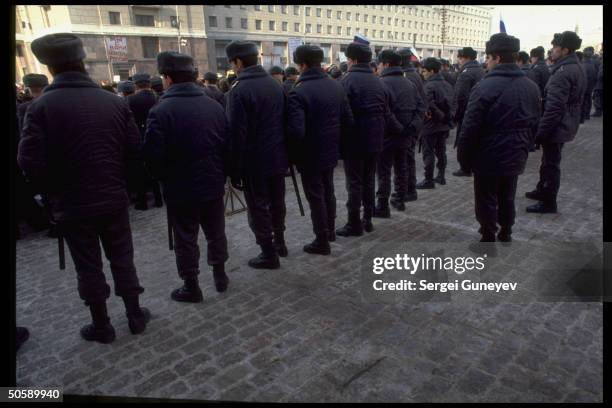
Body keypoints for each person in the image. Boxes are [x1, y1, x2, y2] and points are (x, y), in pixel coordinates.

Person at [19, 33, 150, 344]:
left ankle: (101, 324)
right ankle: (134, 314)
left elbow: (29, 162)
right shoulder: (113, 102)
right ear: (83, 63)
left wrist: (50, 194)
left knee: (87, 265)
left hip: (72, 204)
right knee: (122, 257)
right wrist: (123, 185)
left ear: (50, 68)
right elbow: (134, 152)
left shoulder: (40, 107)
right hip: (113, 197)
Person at [143, 52, 230, 302]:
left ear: (167, 78)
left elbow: (152, 157)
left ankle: (191, 285)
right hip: (212, 183)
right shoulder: (213, 106)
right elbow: (227, 145)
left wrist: (163, 178)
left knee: (185, 238)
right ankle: (220, 275)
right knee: (216, 232)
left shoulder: (160, 111)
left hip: (181, 188)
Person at [457, 33, 541, 245]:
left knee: (486, 197)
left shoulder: (484, 87)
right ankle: (507, 231)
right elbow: (535, 121)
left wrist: (464, 158)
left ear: (497, 58)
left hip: (488, 154)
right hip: (516, 152)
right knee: (507, 194)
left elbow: (470, 128)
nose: (486, 62)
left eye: (488, 58)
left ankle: (488, 236)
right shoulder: (531, 86)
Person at [225, 41, 289, 269]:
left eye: (232, 62)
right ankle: (280, 243)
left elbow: (236, 134)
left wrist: (234, 170)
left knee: (258, 207)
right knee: (277, 202)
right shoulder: (275, 84)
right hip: (278, 156)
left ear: (238, 62)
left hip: (254, 161)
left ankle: (268, 252)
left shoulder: (239, 90)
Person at [286, 45, 354, 254]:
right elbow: (348, 121)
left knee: (316, 196)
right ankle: (330, 231)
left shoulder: (298, 91)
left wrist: (292, 153)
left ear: (302, 64)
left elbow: (296, 132)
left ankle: (321, 240)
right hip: (331, 149)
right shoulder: (336, 86)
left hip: (310, 154)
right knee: (328, 191)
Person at [336, 41, 403, 236]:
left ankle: (354, 223)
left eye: (348, 59)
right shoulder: (379, 82)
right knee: (368, 180)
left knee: (354, 183)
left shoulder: (346, 81)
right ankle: (368, 220)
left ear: (354, 60)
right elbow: (387, 111)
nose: (347, 62)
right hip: (375, 140)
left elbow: (343, 115)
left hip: (354, 141)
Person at [526, 31, 587, 214]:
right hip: (566, 123)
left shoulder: (563, 71)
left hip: (557, 125)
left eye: (555, 47)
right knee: (548, 161)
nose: (551, 51)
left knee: (551, 164)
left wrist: (541, 132)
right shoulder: (575, 66)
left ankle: (548, 201)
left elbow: (554, 108)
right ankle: (542, 189)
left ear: (565, 50)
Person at [374, 49, 425, 217]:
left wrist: (400, 128)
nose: (378, 67)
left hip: (387, 135)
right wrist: (411, 128)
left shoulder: (380, 83)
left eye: (380, 64)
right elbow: (420, 107)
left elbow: (385, 111)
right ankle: (399, 199)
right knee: (401, 168)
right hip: (405, 135)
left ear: (386, 64)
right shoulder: (409, 83)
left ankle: (382, 205)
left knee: (384, 172)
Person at [416, 58, 455, 189]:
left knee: (429, 152)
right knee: (441, 150)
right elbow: (453, 104)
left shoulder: (428, 85)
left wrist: (439, 115)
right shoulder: (447, 85)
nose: (422, 73)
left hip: (431, 124)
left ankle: (428, 179)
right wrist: (446, 118)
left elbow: (428, 104)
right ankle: (441, 176)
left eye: (425, 71)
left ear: (432, 71)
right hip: (444, 125)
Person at [126, 73, 163, 210]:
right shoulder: (158, 97)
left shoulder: (130, 99)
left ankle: (143, 202)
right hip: (155, 135)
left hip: (138, 136)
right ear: (149, 84)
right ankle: (158, 199)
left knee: (140, 171)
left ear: (136, 85)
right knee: (152, 169)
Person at [397, 47, 426, 203]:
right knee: (409, 158)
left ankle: (408, 190)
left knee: (406, 160)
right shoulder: (415, 74)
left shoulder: (406, 75)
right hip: (414, 124)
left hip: (407, 125)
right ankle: (410, 189)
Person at [452, 46, 485, 177]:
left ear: (465, 58)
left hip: (467, 111)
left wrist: (455, 116)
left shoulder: (466, 73)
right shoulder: (480, 70)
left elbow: (460, 96)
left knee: (463, 139)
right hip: (479, 110)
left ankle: (465, 167)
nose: (458, 60)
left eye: (460, 57)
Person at [581, 47, 598, 122]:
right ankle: (587, 114)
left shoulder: (583, 64)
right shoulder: (592, 64)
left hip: (585, 85)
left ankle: (584, 115)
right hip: (590, 85)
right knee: (588, 99)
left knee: (584, 100)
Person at [592, 53, 603, 117]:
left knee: (597, 98)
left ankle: (598, 112)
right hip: (600, 85)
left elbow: (600, 75)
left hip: (600, 85)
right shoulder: (600, 63)